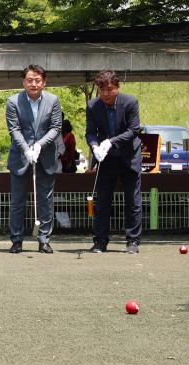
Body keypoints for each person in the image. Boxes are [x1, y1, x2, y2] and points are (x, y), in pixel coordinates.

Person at [6, 64, 63, 254]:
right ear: (23, 82)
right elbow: (14, 129)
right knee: (17, 201)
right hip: (21, 158)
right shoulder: (13, 101)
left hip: (45, 156)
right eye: (29, 80)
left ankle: (44, 240)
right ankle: (16, 240)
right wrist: (26, 149)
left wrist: (39, 145)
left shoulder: (53, 100)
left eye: (37, 80)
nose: (33, 84)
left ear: (44, 82)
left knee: (45, 200)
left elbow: (56, 127)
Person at [86, 69, 142, 254]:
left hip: (129, 156)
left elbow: (134, 130)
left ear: (118, 87)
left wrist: (111, 142)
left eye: (109, 89)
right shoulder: (93, 105)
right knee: (102, 201)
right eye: (102, 89)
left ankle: (132, 240)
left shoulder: (130, 103)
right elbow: (90, 132)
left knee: (132, 201)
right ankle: (100, 240)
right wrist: (95, 148)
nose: (105, 94)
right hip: (106, 160)